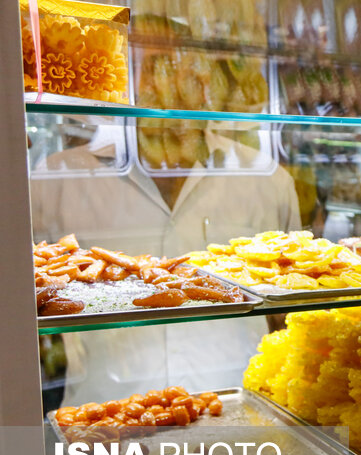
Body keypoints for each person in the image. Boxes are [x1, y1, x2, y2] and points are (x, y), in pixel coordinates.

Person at [31, 123, 301, 404]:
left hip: (239, 406)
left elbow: (290, 310)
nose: (175, 80)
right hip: (104, 414)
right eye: (152, 75)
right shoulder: (57, 177)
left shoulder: (264, 176)